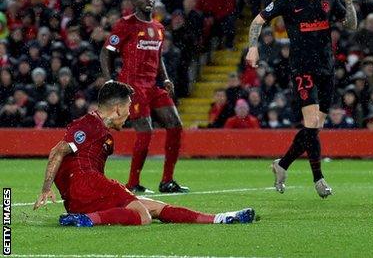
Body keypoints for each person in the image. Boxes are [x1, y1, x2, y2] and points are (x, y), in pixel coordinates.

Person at [32, 81, 255, 227]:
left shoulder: (100, 130)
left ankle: (221, 218)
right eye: (129, 106)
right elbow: (57, 151)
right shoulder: (90, 124)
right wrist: (45, 188)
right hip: (86, 185)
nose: (130, 113)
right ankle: (85, 220)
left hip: (82, 194)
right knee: (142, 216)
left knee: (154, 207)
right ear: (117, 108)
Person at [245, 0, 356, 198]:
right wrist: (253, 47)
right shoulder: (288, 2)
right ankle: (319, 179)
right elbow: (257, 21)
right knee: (312, 122)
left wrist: (349, 1)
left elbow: (350, 25)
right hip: (302, 69)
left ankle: (282, 164)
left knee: (315, 128)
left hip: (327, 69)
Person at [100, 0, 187, 194]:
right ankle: (132, 183)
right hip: (132, 86)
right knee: (146, 131)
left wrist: (165, 78)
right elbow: (106, 53)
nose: (149, 0)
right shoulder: (125, 24)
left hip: (153, 86)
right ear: (135, 1)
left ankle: (167, 181)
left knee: (175, 125)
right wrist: (109, 81)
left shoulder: (158, 27)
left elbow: (158, 57)